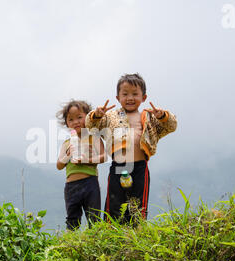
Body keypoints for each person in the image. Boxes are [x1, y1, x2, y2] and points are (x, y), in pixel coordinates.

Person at [85, 73, 177, 224]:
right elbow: (90, 125)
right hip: (119, 166)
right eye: (125, 94)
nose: (130, 98)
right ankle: (112, 234)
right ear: (117, 97)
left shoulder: (149, 117)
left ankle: (137, 233)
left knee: (137, 204)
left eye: (135, 94)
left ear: (144, 97)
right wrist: (97, 114)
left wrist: (163, 116)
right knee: (115, 202)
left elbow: (172, 126)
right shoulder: (110, 117)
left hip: (140, 167)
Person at [56, 100, 106, 230]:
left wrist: (88, 160)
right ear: (67, 123)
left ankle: (95, 243)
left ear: (88, 117)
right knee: (72, 218)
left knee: (94, 216)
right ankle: (70, 245)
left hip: (90, 182)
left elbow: (103, 157)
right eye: (71, 119)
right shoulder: (67, 143)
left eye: (79, 117)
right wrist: (67, 155)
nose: (76, 122)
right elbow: (59, 165)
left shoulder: (93, 137)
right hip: (71, 186)